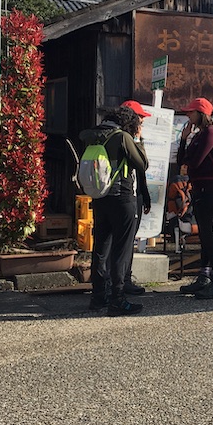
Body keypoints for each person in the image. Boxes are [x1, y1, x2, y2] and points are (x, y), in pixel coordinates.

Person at [80, 105, 149, 316]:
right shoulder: (121, 137)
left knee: (101, 248)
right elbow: (142, 164)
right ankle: (118, 298)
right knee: (121, 248)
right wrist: (138, 139)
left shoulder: (93, 135)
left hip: (100, 197)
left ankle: (98, 296)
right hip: (122, 198)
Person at [177, 97, 213, 300]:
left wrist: (188, 150)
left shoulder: (210, 134)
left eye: (191, 112)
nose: (188, 115)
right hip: (200, 187)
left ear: (201, 114)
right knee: (205, 232)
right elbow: (183, 161)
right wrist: (183, 140)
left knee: (208, 231)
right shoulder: (199, 135)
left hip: (208, 188)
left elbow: (194, 162)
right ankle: (204, 276)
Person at [120, 100, 152, 295]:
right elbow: (142, 166)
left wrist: (146, 197)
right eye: (140, 117)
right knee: (124, 240)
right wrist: (139, 141)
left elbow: (141, 175)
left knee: (127, 239)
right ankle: (122, 280)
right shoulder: (127, 140)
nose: (142, 121)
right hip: (126, 196)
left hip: (134, 195)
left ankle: (122, 278)